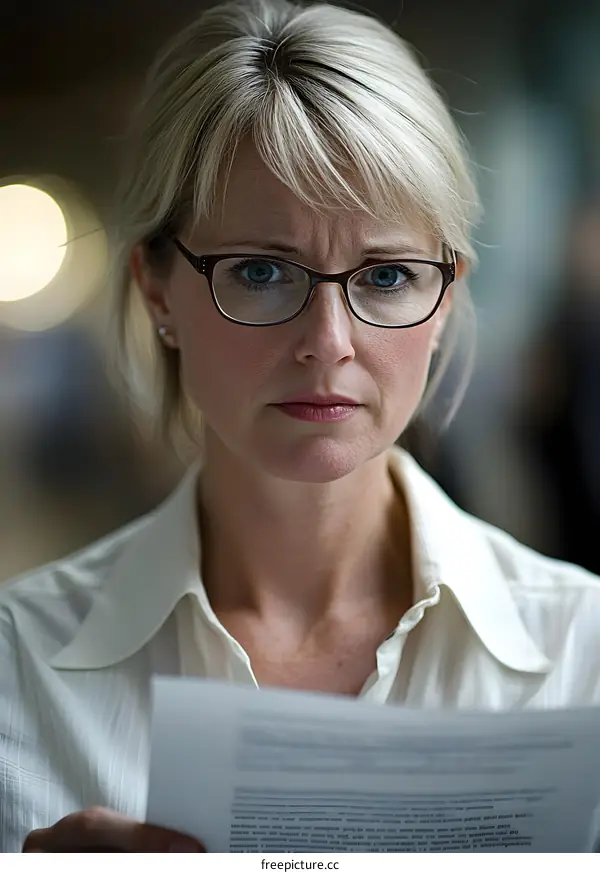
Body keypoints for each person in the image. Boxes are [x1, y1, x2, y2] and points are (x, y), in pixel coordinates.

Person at [2, 0, 600, 854]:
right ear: (158, 289)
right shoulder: (19, 668)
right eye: (260, 271)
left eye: (386, 276)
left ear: (445, 300)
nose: (328, 341)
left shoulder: (582, 651)